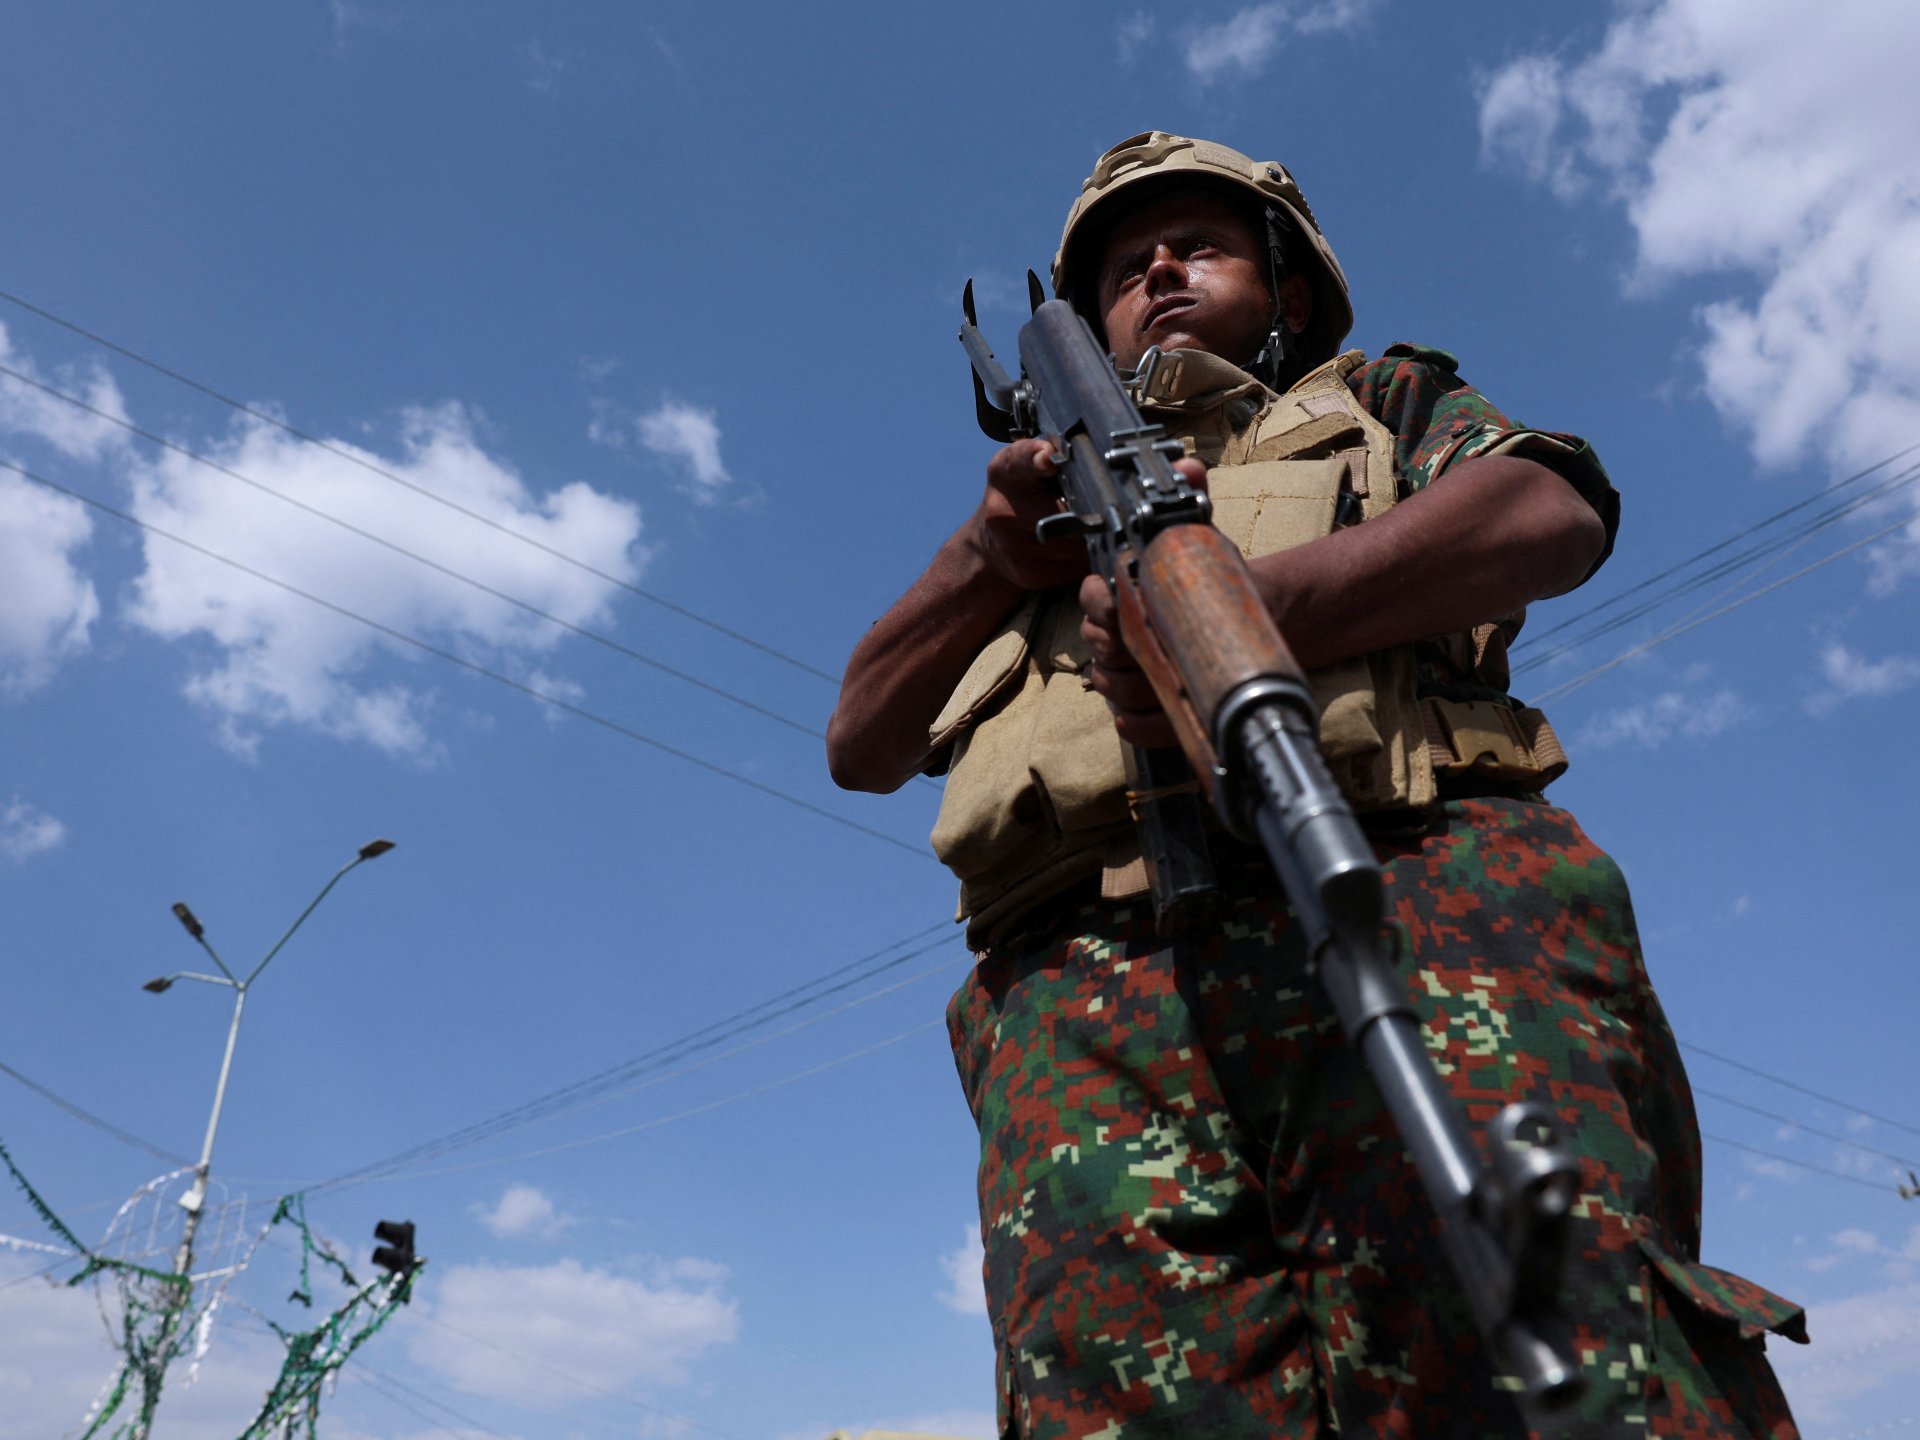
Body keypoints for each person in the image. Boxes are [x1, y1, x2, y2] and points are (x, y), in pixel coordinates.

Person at [828, 132, 1804, 1439]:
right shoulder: (1030, 521)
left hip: (1421, 915)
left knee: (1544, 1351)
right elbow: (860, 741)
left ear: (1287, 289)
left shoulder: (1379, 398)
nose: (1160, 271)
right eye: (1125, 266)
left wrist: (1242, 610)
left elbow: (1548, 513)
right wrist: (991, 555)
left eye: (1201, 246)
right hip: (1083, 1028)